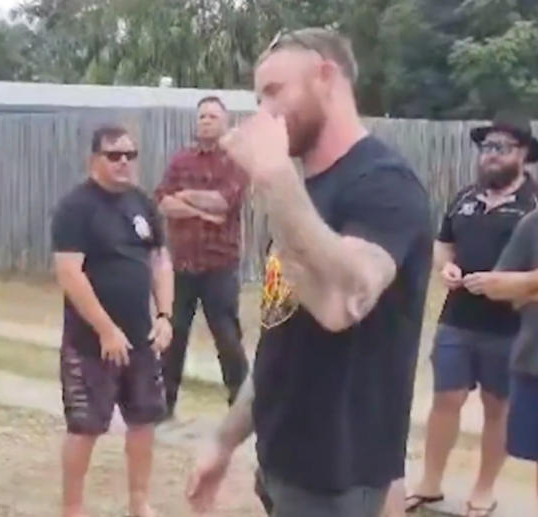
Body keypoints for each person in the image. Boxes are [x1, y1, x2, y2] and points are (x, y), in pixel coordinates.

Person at [186, 28, 433, 517]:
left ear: (327, 78)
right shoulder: (303, 193)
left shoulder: (384, 183)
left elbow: (343, 301)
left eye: (275, 92)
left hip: (339, 479)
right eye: (259, 98)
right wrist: (224, 440)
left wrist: (272, 176)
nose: (264, 112)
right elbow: (282, 339)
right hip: (285, 465)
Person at [407, 111, 538, 516]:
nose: (491, 155)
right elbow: (442, 242)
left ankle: (483, 491)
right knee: (446, 398)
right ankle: (429, 484)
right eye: (487, 147)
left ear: (523, 154)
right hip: (456, 318)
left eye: (502, 148)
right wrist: (443, 265)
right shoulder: (465, 197)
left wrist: (510, 286)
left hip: (511, 327)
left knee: (498, 406)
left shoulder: (533, 205)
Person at [52, 125, 174, 517]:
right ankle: (73, 508)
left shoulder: (142, 203)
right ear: (94, 160)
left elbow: (160, 261)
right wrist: (106, 329)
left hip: (141, 338)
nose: (124, 162)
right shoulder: (76, 207)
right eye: (114, 155)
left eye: (130, 155)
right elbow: (70, 273)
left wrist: (165, 315)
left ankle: (139, 501)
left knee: (144, 421)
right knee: (85, 427)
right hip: (90, 342)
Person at [455, 118, 538, 510]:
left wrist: (526, 285)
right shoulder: (532, 225)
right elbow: (500, 286)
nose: (491, 154)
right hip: (532, 360)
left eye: (501, 147)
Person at [154, 95, 250, 415]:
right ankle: (164, 403)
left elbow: (225, 202)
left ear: (225, 121)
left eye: (212, 116)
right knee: (173, 334)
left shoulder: (234, 161)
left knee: (227, 337)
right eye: (202, 117)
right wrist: (203, 211)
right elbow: (163, 201)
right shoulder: (181, 160)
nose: (206, 121)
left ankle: (241, 406)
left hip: (219, 264)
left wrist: (186, 197)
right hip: (182, 263)